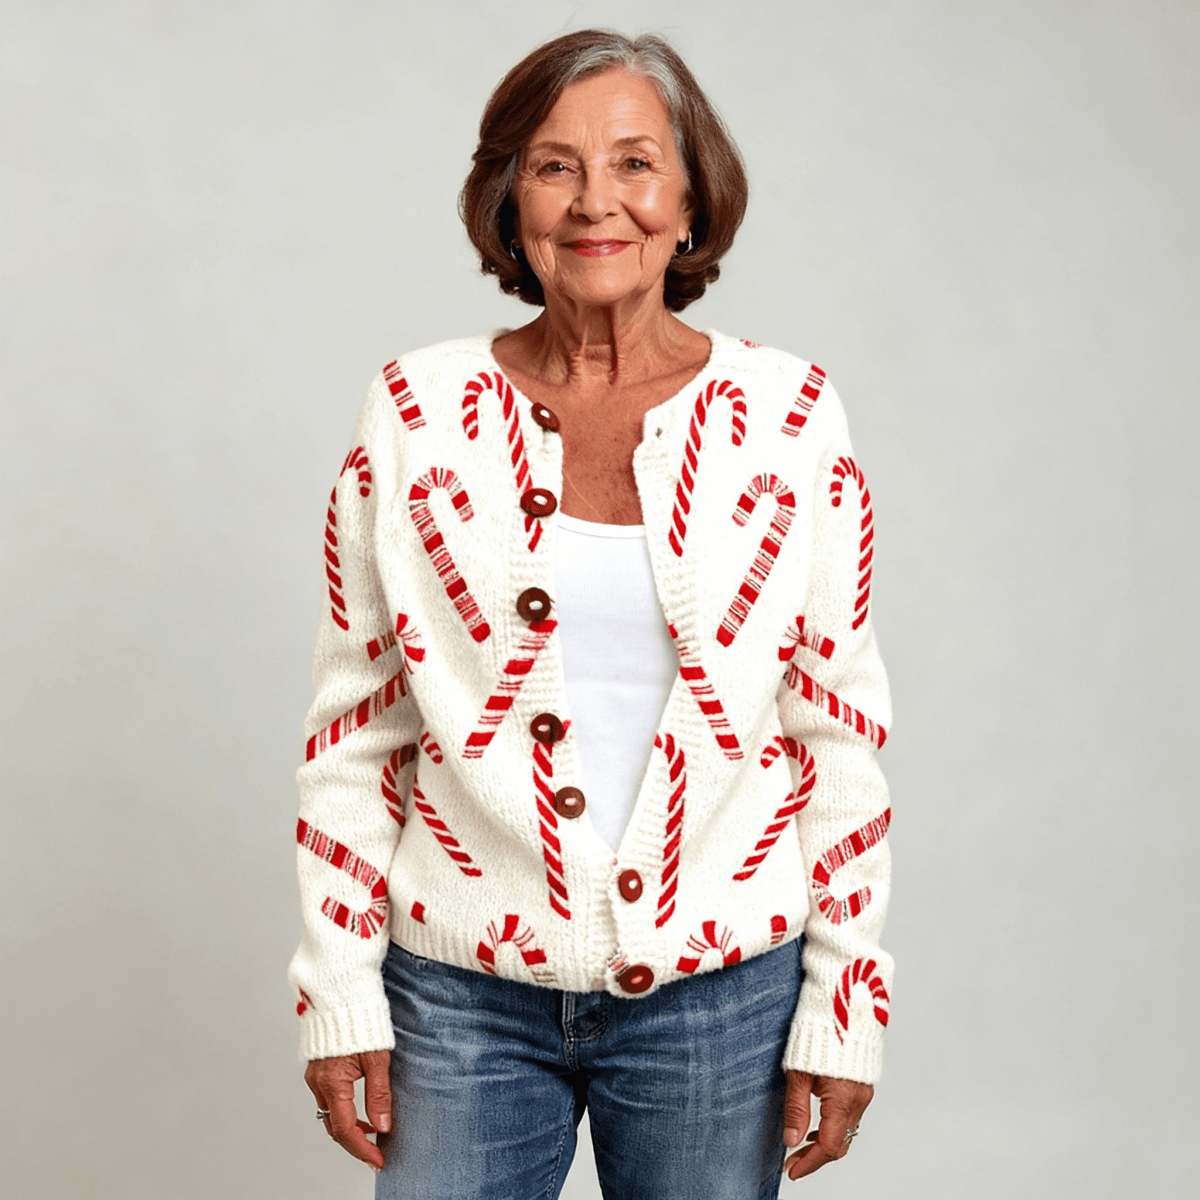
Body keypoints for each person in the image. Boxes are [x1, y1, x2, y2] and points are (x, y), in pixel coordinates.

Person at [290, 28, 893, 1199]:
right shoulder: (416, 411)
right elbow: (356, 730)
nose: (594, 202)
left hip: (722, 996)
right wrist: (338, 990)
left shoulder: (790, 416)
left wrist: (847, 1002)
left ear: (690, 198)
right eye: (555, 166)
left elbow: (836, 732)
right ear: (509, 201)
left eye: (635, 163)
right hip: (457, 988)